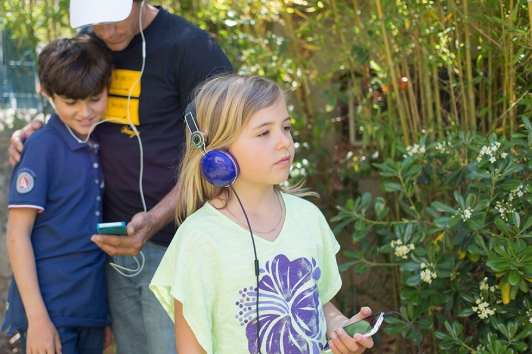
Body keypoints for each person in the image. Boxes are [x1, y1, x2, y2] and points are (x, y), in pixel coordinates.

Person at [8, 1, 232, 353]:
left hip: (175, 243)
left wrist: (156, 218)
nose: (106, 31)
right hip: (110, 247)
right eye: (94, 22)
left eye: (113, 18)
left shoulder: (192, 49)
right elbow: (67, 98)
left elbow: (218, 152)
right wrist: (38, 129)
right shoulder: (91, 41)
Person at [149, 74, 375, 354]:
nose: (284, 142)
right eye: (263, 132)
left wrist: (341, 328)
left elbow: (320, 306)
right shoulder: (198, 239)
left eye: (286, 127)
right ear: (216, 152)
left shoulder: (308, 217)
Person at [2, 35, 114, 354]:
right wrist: (38, 320)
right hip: (48, 312)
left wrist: (100, 316)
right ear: (48, 94)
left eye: (95, 98)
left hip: (88, 310)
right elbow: (16, 236)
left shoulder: (96, 142)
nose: (85, 112)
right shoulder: (40, 146)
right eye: (71, 102)